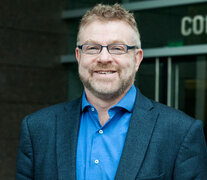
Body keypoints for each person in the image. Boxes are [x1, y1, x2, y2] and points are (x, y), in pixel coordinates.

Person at [16, 3, 207, 180]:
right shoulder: (38, 130)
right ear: (78, 56)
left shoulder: (181, 133)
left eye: (117, 48)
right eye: (92, 48)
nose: (104, 58)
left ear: (137, 58)